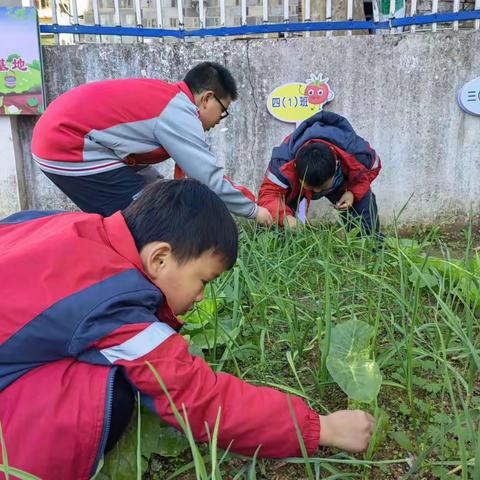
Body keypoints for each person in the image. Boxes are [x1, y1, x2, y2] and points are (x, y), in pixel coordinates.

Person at [0, 179, 373, 479]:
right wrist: (319, 428)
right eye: (204, 280)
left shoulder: (65, 225)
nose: (200, 295)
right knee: (107, 391)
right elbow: (198, 398)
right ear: (160, 258)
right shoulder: (113, 305)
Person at [31, 61, 272, 225]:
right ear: (207, 98)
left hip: (67, 138)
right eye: (223, 111)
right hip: (66, 144)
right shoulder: (179, 112)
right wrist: (256, 212)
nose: (219, 120)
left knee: (158, 194)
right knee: (145, 218)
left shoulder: (167, 99)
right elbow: (208, 176)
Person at [258, 111, 382, 235]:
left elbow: (373, 167)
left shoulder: (356, 151)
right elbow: (269, 194)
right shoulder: (283, 162)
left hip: (341, 184)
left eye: (322, 187)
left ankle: (370, 242)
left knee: (364, 200)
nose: (316, 191)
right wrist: (284, 218)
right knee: (272, 218)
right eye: (311, 187)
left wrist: (353, 192)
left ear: (337, 165)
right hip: (296, 189)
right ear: (295, 166)